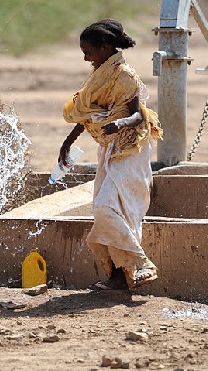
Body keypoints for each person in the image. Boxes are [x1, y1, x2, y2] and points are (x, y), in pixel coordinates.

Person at [59, 19, 163, 291]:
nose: (85, 58)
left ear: (105, 47)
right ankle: (119, 276)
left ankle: (142, 265)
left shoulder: (125, 74)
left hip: (130, 146)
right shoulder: (99, 73)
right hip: (108, 146)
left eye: (88, 52)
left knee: (109, 207)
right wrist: (68, 142)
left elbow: (138, 114)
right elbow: (89, 112)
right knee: (107, 209)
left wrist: (120, 123)